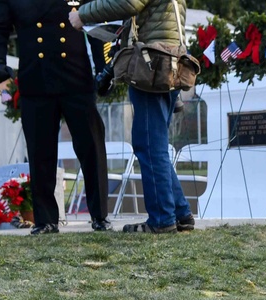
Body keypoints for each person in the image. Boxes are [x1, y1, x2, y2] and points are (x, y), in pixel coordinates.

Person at [0, 0, 112, 234]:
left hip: (75, 77)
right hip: (36, 79)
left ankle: (100, 215)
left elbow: (96, 20)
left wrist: (105, 68)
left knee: (91, 146)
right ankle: (46, 220)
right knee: (40, 152)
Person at [70, 0, 196, 234]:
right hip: (168, 60)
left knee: (149, 144)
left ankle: (162, 220)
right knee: (155, 144)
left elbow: (128, 2)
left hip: (152, 63)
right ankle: (180, 213)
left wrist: (83, 15)